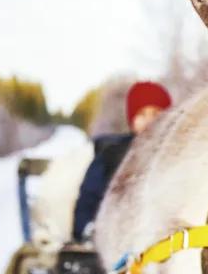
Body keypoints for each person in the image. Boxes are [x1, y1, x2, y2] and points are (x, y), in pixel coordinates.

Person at [71, 81, 172, 241]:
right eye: (142, 115)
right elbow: (89, 195)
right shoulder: (113, 153)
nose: (150, 121)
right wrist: (84, 228)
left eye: (156, 114)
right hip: (114, 232)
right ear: (132, 120)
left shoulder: (172, 154)